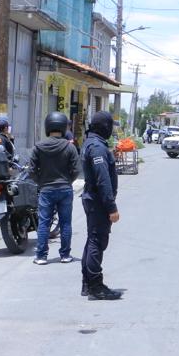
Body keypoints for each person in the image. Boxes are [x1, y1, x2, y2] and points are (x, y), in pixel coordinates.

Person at [80, 111, 121, 300]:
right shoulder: (97, 147)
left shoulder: (92, 142)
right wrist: (111, 207)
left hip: (93, 199)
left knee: (92, 240)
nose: (111, 130)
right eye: (110, 126)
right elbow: (102, 179)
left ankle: (88, 283)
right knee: (97, 241)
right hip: (98, 201)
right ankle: (95, 286)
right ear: (104, 127)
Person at [30, 111, 80, 265]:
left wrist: (41, 182)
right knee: (66, 223)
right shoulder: (69, 147)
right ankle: (65, 255)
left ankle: (41, 256)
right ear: (64, 127)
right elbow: (77, 170)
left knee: (44, 223)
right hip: (65, 189)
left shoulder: (38, 147)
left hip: (46, 189)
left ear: (47, 127)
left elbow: (31, 171)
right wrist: (67, 181)